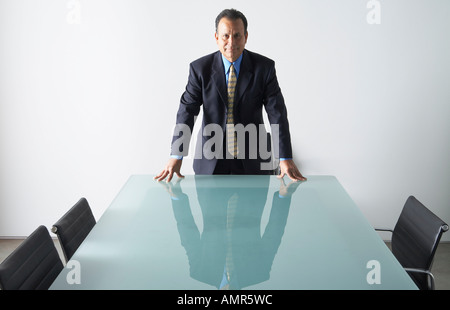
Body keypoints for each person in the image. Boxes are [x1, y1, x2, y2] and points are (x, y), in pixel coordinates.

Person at [155, 8, 306, 182]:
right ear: (216, 37)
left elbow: (277, 113)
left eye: (237, 36)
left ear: (246, 37)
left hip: (254, 160)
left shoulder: (264, 68)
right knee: (212, 210)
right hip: (210, 160)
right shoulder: (199, 69)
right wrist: (176, 155)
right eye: (226, 36)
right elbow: (187, 111)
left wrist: (284, 157)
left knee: (252, 210)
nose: (231, 43)